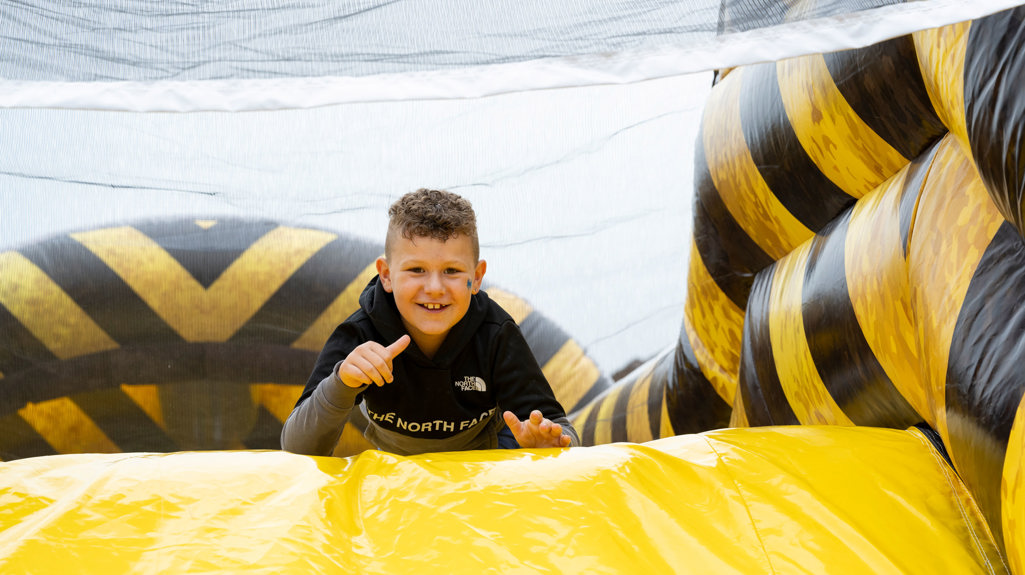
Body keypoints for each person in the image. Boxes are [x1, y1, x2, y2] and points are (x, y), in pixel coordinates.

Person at [281, 188, 579, 456]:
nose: (435, 287)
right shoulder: (361, 334)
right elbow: (297, 449)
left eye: (451, 270)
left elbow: (563, 432)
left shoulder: (496, 333)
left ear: (476, 278)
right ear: (386, 275)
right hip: (401, 476)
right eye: (417, 269)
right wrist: (341, 383)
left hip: (483, 472)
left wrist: (549, 445)